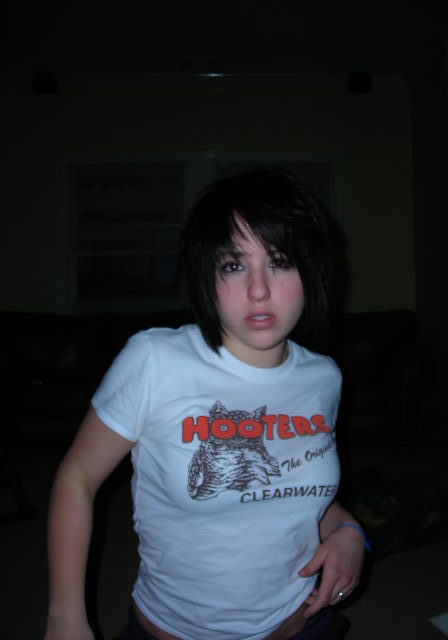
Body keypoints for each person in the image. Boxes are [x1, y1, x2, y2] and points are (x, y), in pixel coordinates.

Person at [44, 169, 367, 640]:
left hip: (301, 626)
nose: (259, 290)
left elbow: (296, 492)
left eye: (279, 261)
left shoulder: (324, 378)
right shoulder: (155, 360)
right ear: (206, 276)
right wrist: (66, 619)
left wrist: (350, 532)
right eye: (233, 265)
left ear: (310, 272)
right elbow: (77, 478)